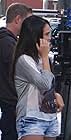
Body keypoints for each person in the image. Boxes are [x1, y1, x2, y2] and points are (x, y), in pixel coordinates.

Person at [12, 15, 64, 140]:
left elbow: (49, 85)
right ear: (35, 37)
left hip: (49, 116)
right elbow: (44, 84)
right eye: (47, 34)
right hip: (31, 117)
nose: (50, 38)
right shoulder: (25, 60)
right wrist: (45, 57)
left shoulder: (44, 58)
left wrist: (56, 94)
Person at [0, 3, 32, 140]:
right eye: (27, 22)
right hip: (12, 104)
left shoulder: (8, 41)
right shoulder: (8, 43)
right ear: (18, 19)